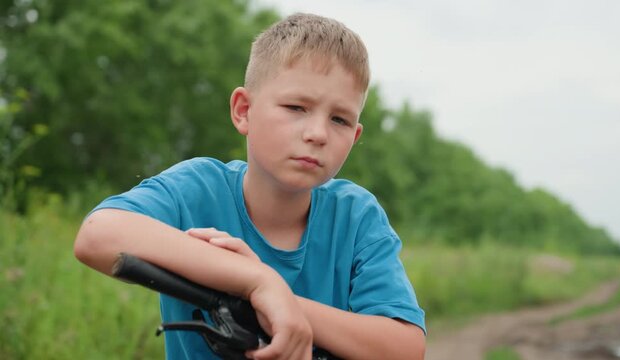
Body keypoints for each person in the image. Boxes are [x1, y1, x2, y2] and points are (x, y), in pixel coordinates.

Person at [74, 13, 426, 360]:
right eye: (296, 107)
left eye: (339, 119)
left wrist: (280, 303)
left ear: (355, 135)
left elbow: (405, 349)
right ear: (243, 110)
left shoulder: (356, 216)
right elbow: (97, 235)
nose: (317, 133)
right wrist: (257, 281)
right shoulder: (198, 189)